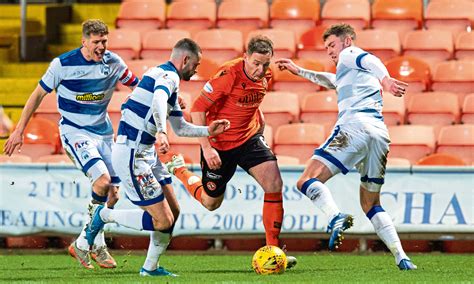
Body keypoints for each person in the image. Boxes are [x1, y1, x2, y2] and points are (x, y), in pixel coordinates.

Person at [275, 23, 417, 270]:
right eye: (327, 47)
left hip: (355, 127)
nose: (330, 51)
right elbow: (331, 80)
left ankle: (334, 216)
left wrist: (386, 80)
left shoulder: (351, 55)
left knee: (306, 180)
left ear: (347, 41)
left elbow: (369, 59)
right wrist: (299, 71)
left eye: (332, 45)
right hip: (379, 135)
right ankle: (402, 257)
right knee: (371, 203)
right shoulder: (352, 74)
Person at [85, 38, 230, 277]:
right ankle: (104, 215)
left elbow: (181, 127)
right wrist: (161, 130)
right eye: (196, 64)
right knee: (162, 221)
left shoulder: (163, 77)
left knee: (174, 212)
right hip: (133, 153)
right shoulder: (168, 77)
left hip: (147, 153)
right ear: (185, 59)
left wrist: (208, 131)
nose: (196, 71)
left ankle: (149, 268)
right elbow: (158, 100)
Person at [3, 19, 139, 269]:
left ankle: (90, 244)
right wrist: (19, 130)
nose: (102, 46)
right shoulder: (63, 64)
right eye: (97, 42)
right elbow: (37, 95)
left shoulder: (113, 62)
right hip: (75, 132)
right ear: (84, 41)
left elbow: (139, 87)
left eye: (105, 41)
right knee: (102, 181)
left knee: (114, 194)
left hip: (104, 133)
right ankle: (89, 243)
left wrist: (169, 100)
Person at [164, 35, 297, 268]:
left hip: (248, 139)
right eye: (256, 63)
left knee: (274, 184)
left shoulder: (266, 74)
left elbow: (251, 101)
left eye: (265, 64)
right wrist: (207, 148)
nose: (260, 69)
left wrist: (260, 121)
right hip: (219, 145)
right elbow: (197, 109)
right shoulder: (228, 75)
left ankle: (273, 251)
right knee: (210, 202)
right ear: (245, 57)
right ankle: (180, 170)